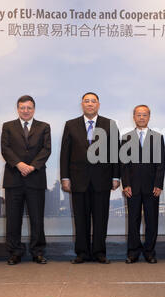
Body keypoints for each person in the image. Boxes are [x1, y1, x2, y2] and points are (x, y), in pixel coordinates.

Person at [60, 92, 120, 264]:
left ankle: (100, 252)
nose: (90, 104)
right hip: (78, 179)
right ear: (82, 104)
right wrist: (65, 177)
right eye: (87, 101)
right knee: (80, 218)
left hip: (102, 178)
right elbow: (65, 153)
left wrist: (116, 176)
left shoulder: (110, 124)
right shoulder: (71, 125)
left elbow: (115, 153)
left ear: (98, 104)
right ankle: (82, 253)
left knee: (101, 218)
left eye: (93, 101)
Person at [1, 95, 51, 265]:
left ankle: (37, 252)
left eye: (29, 108)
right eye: (22, 107)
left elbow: (46, 150)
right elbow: (5, 149)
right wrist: (19, 164)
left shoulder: (44, 127)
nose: (26, 111)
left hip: (35, 178)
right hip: (14, 178)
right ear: (17, 109)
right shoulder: (8, 126)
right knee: (13, 219)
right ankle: (15, 252)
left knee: (37, 218)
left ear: (34, 109)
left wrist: (31, 166)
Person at [121, 105, 165, 264]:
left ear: (149, 117)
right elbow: (124, 164)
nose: (141, 117)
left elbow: (160, 163)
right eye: (138, 115)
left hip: (152, 187)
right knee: (133, 220)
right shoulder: (126, 138)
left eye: (144, 115)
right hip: (132, 187)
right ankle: (133, 252)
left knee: (151, 220)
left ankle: (149, 252)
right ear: (133, 116)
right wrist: (125, 184)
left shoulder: (158, 137)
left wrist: (159, 184)